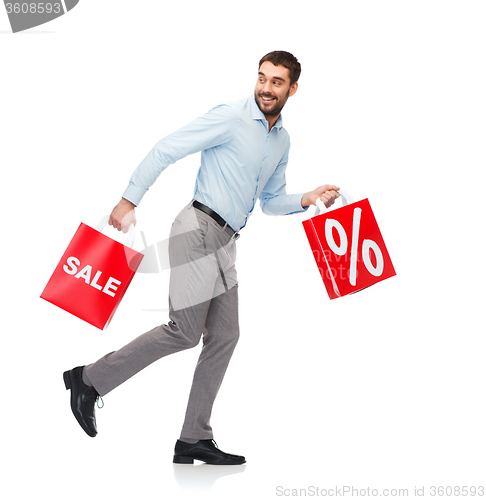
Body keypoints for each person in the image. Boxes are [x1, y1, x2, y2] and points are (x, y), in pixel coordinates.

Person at [63, 51, 340, 465]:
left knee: (226, 336)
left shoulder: (282, 140)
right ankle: (88, 380)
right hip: (197, 229)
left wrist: (307, 198)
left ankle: (193, 436)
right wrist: (128, 201)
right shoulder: (230, 116)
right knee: (184, 331)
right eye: (262, 78)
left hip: (228, 242)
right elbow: (166, 148)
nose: (266, 88)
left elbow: (269, 202)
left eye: (277, 82)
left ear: (293, 89)